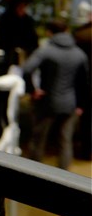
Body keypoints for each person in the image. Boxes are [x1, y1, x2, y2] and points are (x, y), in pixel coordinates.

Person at [21, 18, 88, 169]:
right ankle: (66, 179)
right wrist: (81, 105)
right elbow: (84, 82)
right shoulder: (79, 53)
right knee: (65, 141)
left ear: (49, 32)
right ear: (66, 31)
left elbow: (26, 69)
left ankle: (33, 173)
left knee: (38, 140)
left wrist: (32, 90)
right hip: (70, 103)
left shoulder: (46, 50)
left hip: (47, 102)